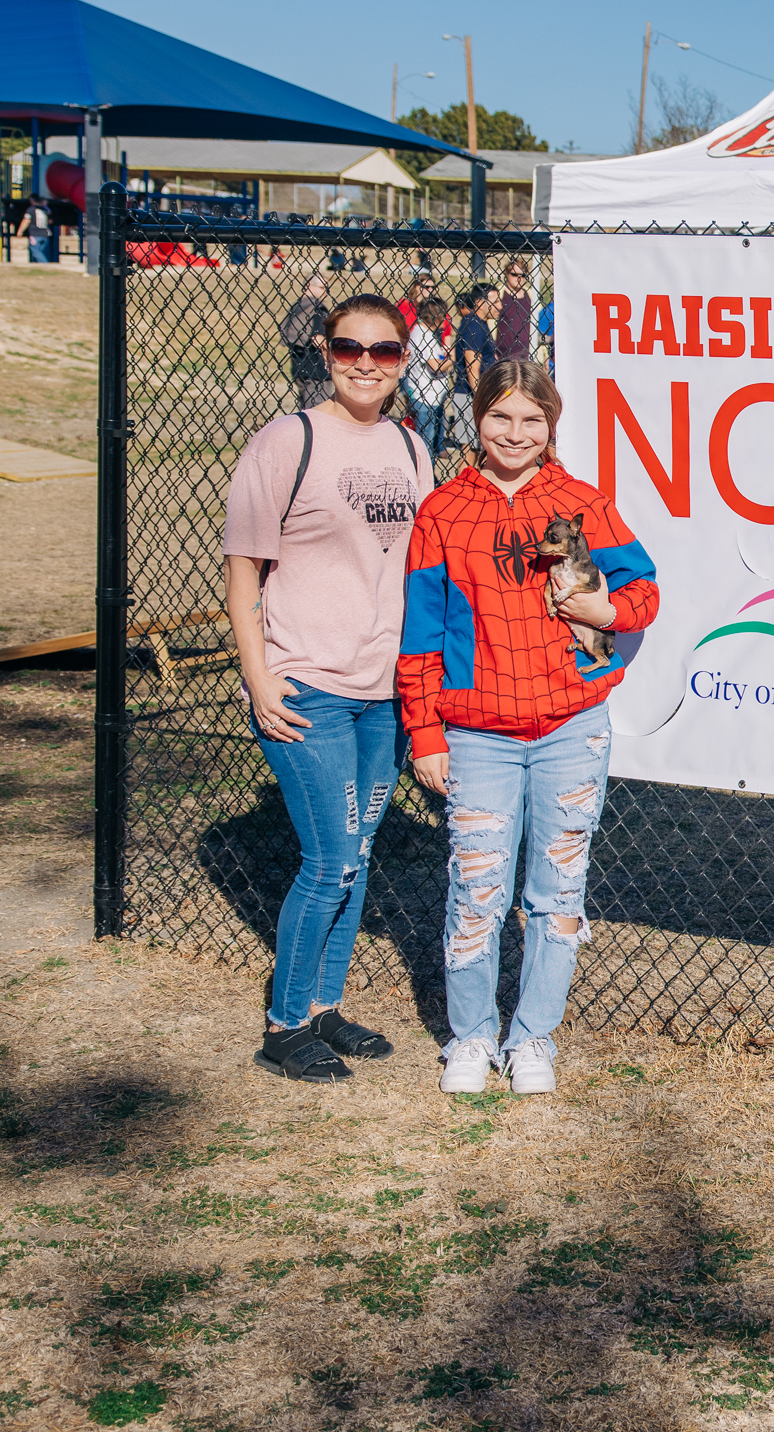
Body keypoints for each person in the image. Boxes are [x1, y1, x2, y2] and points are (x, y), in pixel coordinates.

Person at [399, 361, 661, 1095]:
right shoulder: (443, 511)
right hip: (477, 731)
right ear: (477, 420)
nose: (515, 435)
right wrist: (424, 731)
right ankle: (471, 1037)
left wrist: (601, 615)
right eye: (500, 418)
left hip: (569, 728)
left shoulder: (580, 503)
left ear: (552, 425)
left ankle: (534, 1037)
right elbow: (420, 632)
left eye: (531, 421)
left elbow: (643, 589)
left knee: (558, 892)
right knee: (477, 889)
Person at [222, 293, 431, 1083]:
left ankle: (323, 1008)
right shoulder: (288, 441)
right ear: (326, 352)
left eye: (383, 351)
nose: (366, 365)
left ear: (405, 358)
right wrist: (257, 674)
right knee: (329, 858)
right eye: (351, 349)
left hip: (383, 691)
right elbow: (244, 569)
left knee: (361, 853)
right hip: (306, 683)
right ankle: (283, 1025)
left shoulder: (413, 449)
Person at [450, 284, 500, 448]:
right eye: (496, 301)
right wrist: (483, 400)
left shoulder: (480, 324)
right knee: (469, 450)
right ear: (480, 303)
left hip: (475, 396)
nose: (500, 306)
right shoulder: (474, 327)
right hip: (470, 396)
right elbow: (473, 369)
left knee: (477, 450)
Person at [403, 298, 454, 458]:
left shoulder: (424, 333)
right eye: (443, 316)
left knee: (427, 440)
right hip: (426, 397)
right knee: (425, 444)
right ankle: (426, 480)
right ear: (436, 317)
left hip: (429, 395)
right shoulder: (423, 335)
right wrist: (452, 358)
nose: (446, 320)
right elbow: (435, 366)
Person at [281, 275, 332, 409]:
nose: (326, 291)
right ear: (309, 286)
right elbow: (318, 338)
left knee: (304, 409)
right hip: (318, 369)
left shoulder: (297, 307)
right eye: (322, 287)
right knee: (319, 411)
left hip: (298, 366)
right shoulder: (318, 309)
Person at [496, 262, 534, 361]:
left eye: (523, 275)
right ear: (506, 274)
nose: (518, 278)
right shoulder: (499, 296)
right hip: (502, 355)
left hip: (527, 355)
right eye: (514, 274)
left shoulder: (532, 296)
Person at [17, 195, 58, 264]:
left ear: (32, 200)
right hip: (45, 235)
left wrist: (20, 231)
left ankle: (45, 265)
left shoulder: (31, 210)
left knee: (36, 252)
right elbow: (50, 221)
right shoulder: (46, 210)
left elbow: (26, 221)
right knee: (40, 252)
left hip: (35, 235)